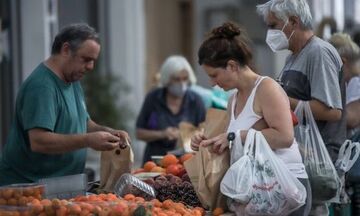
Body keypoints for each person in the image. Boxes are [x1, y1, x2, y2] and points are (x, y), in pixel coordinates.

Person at [191, 22, 310, 216]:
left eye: (214, 75)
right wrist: (208, 141)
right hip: (256, 190)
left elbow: (284, 137)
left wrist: (236, 136)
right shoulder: (233, 100)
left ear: (231, 66)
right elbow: (233, 139)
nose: (213, 83)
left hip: (285, 188)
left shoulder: (267, 88)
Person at [0, 23, 130, 186]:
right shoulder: (42, 86)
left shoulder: (72, 79)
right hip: (29, 190)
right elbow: (39, 141)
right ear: (66, 49)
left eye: (93, 61)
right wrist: (89, 141)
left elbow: (84, 123)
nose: (90, 67)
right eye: (86, 59)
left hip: (60, 187)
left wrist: (109, 132)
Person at [257, 1, 345, 215]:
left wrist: (280, 101)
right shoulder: (292, 57)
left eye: (273, 25)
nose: (270, 32)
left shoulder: (319, 53)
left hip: (317, 160)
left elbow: (332, 111)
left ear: (293, 21)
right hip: (298, 158)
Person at [136, 55, 206, 164]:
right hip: (154, 162)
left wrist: (186, 134)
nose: (182, 83)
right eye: (177, 79)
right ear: (167, 79)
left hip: (185, 163)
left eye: (185, 79)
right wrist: (163, 134)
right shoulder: (153, 98)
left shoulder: (195, 100)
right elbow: (139, 133)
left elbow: (205, 131)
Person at [329, 33, 360, 140]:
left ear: (342, 62)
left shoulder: (357, 82)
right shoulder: (347, 83)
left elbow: (352, 119)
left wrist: (318, 111)